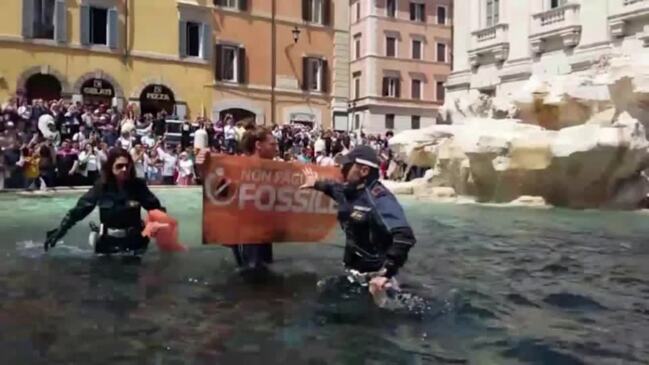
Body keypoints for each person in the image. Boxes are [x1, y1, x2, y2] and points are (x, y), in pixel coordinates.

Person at [300, 145, 416, 294]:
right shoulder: (349, 191)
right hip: (353, 273)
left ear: (364, 171)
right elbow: (332, 188)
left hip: (376, 280)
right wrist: (315, 184)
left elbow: (404, 237)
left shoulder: (379, 199)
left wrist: (385, 274)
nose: (341, 169)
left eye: (347, 166)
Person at [44, 148, 165, 255]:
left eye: (127, 166)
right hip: (107, 243)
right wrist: (60, 231)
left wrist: (155, 228)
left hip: (134, 244)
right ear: (110, 167)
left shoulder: (138, 186)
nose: (124, 169)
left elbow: (156, 209)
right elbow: (79, 211)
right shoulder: (101, 187)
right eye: (119, 166)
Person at [229, 126, 278, 271]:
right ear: (258, 145)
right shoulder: (239, 168)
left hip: (264, 231)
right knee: (253, 272)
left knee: (263, 269)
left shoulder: (271, 169)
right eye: (272, 144)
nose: (276, 148)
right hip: (248, 233)